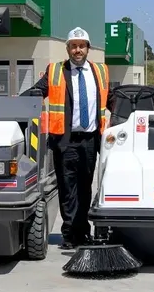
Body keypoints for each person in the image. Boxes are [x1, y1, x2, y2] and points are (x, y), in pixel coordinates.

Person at [23, 27, 111, 249]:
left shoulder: (100, 72)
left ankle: (83, 232)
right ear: (68, 49)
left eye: (81, 46)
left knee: (85, 187)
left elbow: (111, 100)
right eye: (73, 46)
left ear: (88, 49)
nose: (77, 50)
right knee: (67, 187)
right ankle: (70, 234)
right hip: (66, 140)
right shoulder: (55, 71)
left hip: (91, 139)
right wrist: (11, 106)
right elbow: (35, 93)